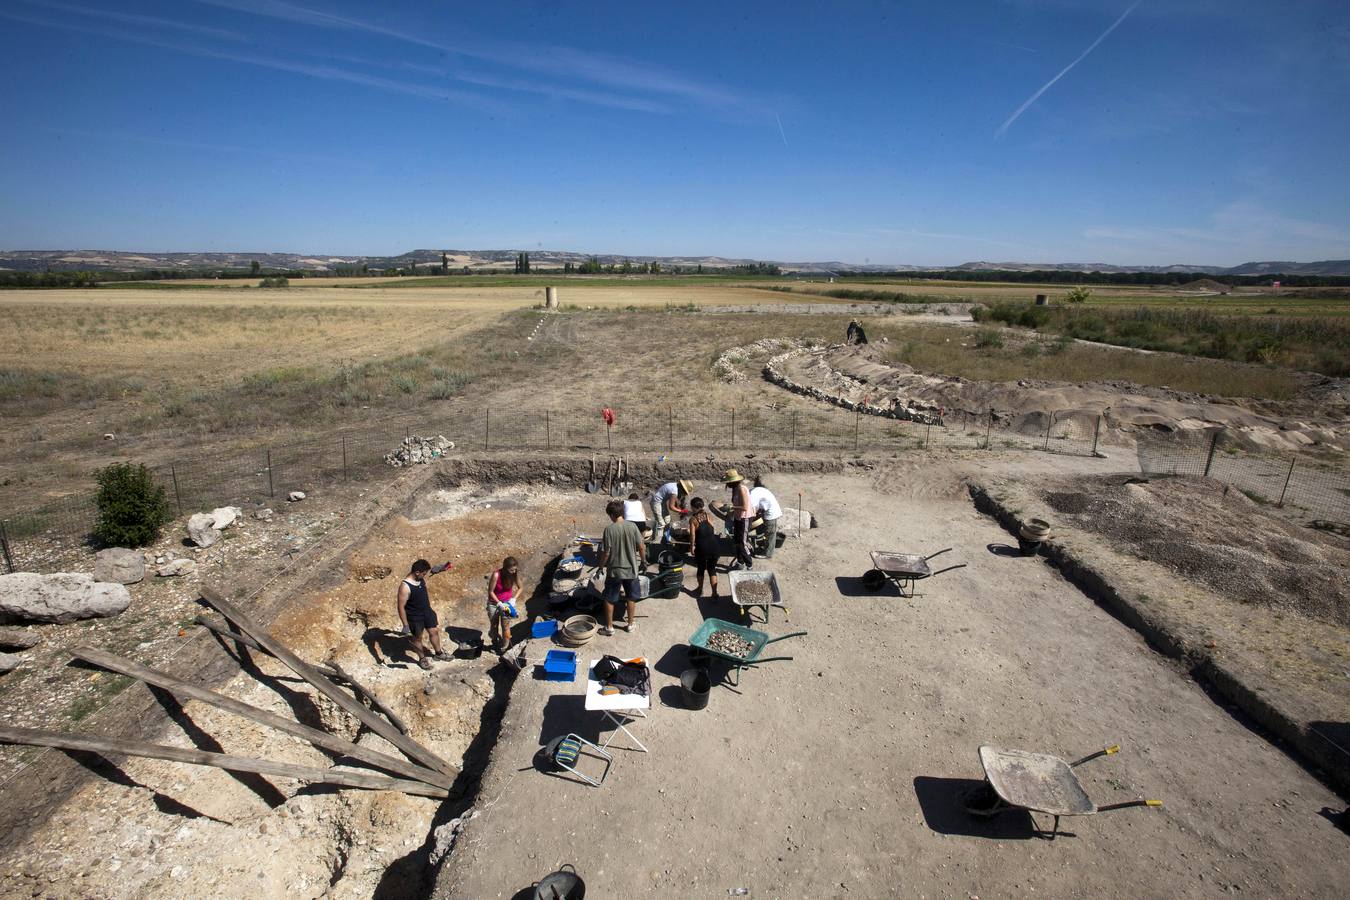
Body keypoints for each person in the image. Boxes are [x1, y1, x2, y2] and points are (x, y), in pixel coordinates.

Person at [597, 498, 645, 636]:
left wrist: (601, 567)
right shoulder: (632, 526)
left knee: (609, 598)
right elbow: (641, 547)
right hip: (631, 570)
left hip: (615, 571)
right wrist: (643, 561)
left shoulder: (609, 530)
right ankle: (630, 625)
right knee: (631, 597)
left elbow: (606, 552)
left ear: (612, 515)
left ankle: (609, 627)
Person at [396, 558, 453, 670]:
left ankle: (438, 653)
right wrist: (405, 625)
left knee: (434, 632)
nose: (425, 576)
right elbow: (400, 607)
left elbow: (430, 571)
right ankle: (422, 659)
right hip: (415, 617)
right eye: (424, 573)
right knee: (417, 639)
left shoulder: (419, 578)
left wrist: (440, 569)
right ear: (417, 572)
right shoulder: (405, 586)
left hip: (427, 612)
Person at [686, 497, 722, 599]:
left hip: (702, 547)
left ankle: (700, 589)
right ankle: (714, 593)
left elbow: (692, 535)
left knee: (701, 569)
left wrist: (692, 546)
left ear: (693, 507)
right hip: (714, 545)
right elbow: (711, 528)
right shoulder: (709, 515)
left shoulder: (693, 520)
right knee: (712, 569)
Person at [485, 556, 522, 653]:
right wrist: (499, 603)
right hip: (494, 603)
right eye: (511, 570)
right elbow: (491, 591)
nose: (514, 572)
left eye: (515, 570)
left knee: (505, 626)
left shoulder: (515, 574)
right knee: (494, 625)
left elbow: (520, 588)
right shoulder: (496, 575)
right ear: (505, 568)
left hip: (508, 604)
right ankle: (494, 643)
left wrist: (514, 599)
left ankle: (504, 648)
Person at [723, 469, 754, 571]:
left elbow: (744, 507)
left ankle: (749, 564)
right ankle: (740, 562)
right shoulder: (735, 489)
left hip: (745, 518)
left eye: (728, 482)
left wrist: (731, 508)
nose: (727, 484)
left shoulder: (741, 489)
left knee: (742, 542)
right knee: (737, 542)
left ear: (733, 481)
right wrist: (730, 513)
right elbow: (737, 505)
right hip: (738, 517)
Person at [749, 475, 784, 558]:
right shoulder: (750, 492)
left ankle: (767, 554)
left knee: (770, 534)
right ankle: (764, 547)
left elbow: (752, 513)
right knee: (766, 533)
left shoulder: (750, 497)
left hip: (771, 513)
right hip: (768, 510)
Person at [649, 479, 692, 543]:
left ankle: (667, 538)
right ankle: (658, 542)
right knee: (661, 524)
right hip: (656, 502)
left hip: (662, 502)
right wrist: (682, 511)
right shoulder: (674, 491)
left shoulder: (676, 486)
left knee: (667, 520)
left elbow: (675, 502)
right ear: (683, 489)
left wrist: (680, 509)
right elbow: (671, 507)